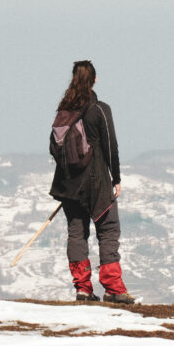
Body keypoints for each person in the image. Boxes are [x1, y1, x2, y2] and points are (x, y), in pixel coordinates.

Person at [49, 60, 135, 304]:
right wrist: (116, 179)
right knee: (108, 231)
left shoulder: (64, 111)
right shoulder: (99, 109)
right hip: (97, 184)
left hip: (68, 185)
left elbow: (55, 149)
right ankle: (113, 289)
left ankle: (83, 289)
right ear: (94, 79)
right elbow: (111, 147)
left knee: (76, 235)